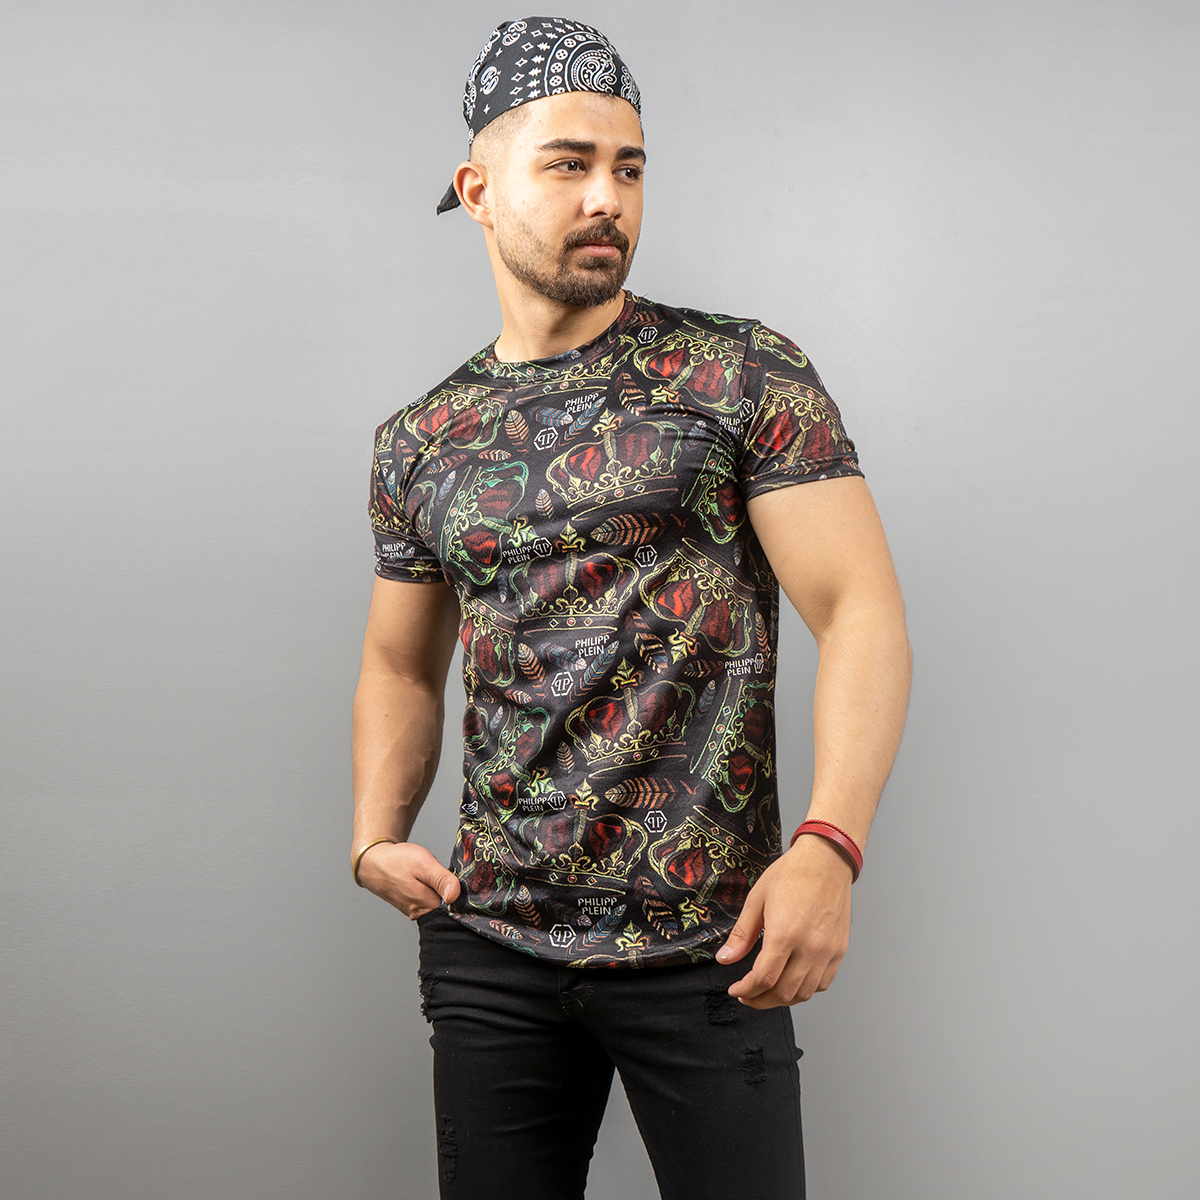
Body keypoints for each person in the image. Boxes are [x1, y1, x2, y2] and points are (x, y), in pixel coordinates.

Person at [351, 16, 911, 1199]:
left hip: (709, 942)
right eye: (569, 164)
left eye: (630, 167)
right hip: (491, 944)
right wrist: (373, 832)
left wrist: (829, 847)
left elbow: (859, 610)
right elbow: (401, 664)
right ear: (479, 190)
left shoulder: (740, 373)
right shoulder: (422, 438)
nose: (607, 196)